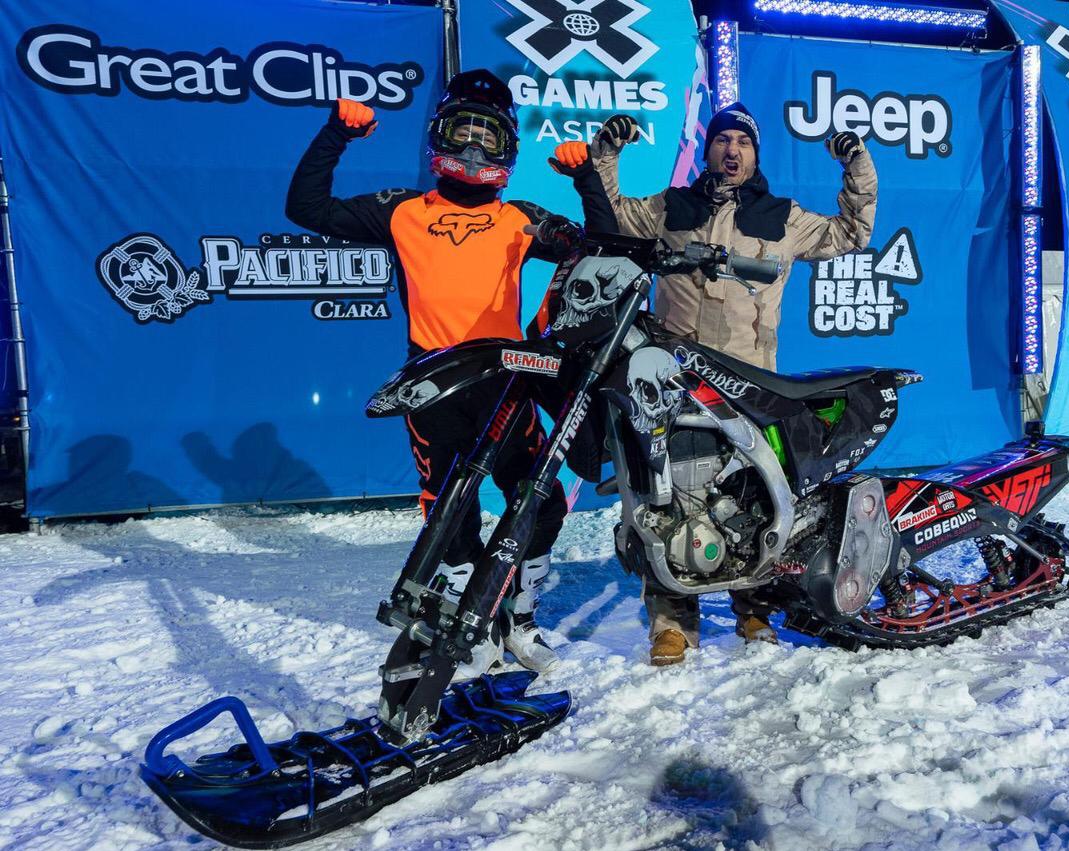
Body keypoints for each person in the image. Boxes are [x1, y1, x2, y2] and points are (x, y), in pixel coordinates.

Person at [554, 101, 878, 666]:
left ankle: (755, 609)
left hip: (751, 379)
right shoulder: (671, 206)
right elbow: (612, 219)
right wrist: (606, 153)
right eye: (723, 140)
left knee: (753, 493)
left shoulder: (782, 216)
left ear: (755, 155)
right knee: (667, 494)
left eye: (744, 142)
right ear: (707, 152)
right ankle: (672, 623)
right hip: (672, 373)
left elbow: (852, 233)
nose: (733, 150)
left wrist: (857, 166)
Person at [286, 70, 587, 677]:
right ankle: (468, 623)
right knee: (452, 511)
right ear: (439, 137)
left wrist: (587, 180)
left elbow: (596, 246)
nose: (473, 148)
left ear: (507, 148)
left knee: (542, 502)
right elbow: (306, 208)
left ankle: (518, 615)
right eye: (462, 131)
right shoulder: (402, 211)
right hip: (432, 385)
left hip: (505, 383)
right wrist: (335, 133)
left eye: (487, 136)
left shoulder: (519, 218)